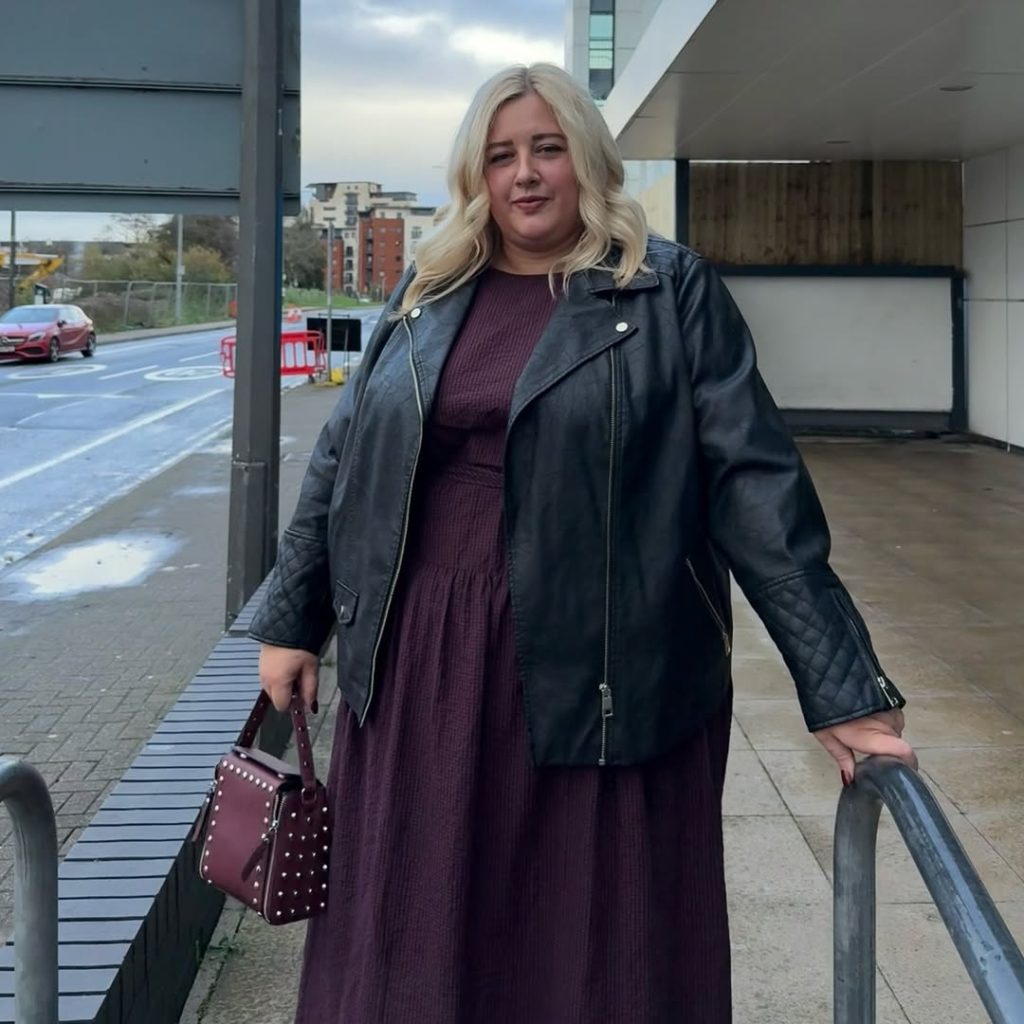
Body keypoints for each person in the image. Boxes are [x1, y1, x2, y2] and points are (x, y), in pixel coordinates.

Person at [249, 62, 917, 1024]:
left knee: (590, 935)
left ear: (588, 160)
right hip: (423, 655)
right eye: (500, 155)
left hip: (607, 659)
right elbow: (345, 455)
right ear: (476, 174)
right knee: (417, 917)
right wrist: (293, 618)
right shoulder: (429, 288)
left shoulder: (668, 290)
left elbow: (756, 489)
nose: (524, 174)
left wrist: (843, 688)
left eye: (547, 149)